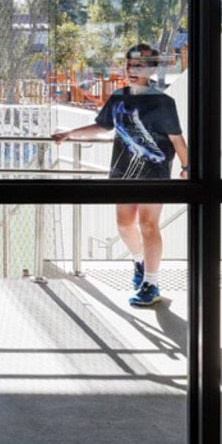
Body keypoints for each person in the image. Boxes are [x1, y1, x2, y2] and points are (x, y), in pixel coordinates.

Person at [53, 44, 188, 308]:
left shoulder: (163, 102)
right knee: (125, 225)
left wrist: (187, 168)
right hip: (122, 171)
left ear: (151, 69)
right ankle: (139, 262)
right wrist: (70, 133)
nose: (131, 70)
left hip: (155, 172)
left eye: (138, 65)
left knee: (149, 224)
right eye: (129, 65)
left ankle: (151, 282)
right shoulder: (118, 97)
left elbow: (177, 139)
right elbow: (102, 125)